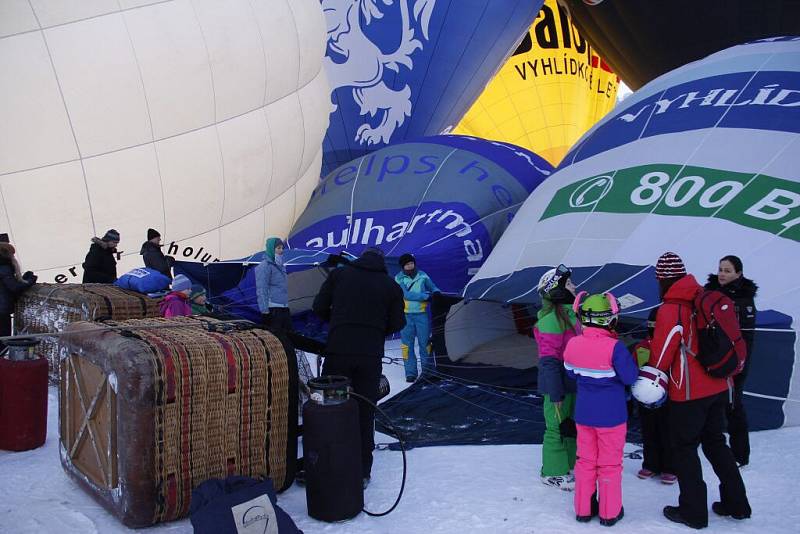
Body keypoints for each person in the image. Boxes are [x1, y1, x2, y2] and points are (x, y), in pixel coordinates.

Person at [648, 252, 751, 529]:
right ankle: (737, 503)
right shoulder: (703, 296)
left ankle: (692, 512)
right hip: (718, 384)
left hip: (689, 392)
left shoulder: (672, 309)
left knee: (684, 448)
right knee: (716, 442)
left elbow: (662, 355)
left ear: (662, 279)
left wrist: (648, 372)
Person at [312, 246, 405, 488]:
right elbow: (398, 322)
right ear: (382, 261)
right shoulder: (390, 285)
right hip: (369, 358)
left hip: (338, 353)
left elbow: (318, 307)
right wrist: (374, 331)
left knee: (331, 406)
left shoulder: (339, 275)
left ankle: (329, 462)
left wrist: (340, 323)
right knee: (365, 411)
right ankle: (363, 470)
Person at [564, 292, 639, 526]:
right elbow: (629, 377)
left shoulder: (573, 343)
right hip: (612, 417)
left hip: (584, 415)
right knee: (609, 464)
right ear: (610, 318)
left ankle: (583, 510)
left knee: (585, 461)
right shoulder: (615, 348)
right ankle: (609, 513)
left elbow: (570, 372)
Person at [705, 255, 756, 468]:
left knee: (733, 405)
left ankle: (740, 454)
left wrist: (737, 364)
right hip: (713, 358)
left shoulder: (744, 301)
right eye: (720, 269)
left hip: (735, 362)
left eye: (727, 270)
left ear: (738, 273)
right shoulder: (709, 293)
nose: (722, 274)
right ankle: (708, 444)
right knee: (707, 402)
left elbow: (745, 338)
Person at [533, 264, 580, 491]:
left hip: (572, 383)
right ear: (557, 290)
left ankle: (568, 464)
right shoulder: (550, 320)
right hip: (557, 386)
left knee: (570, 426)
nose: (575, 286)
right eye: (569, 284)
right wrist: (555, 392)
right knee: (556, 428)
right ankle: (552, 472)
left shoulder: (572, 315)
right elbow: (549, 360)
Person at [634, 307, 676, 484]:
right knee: (649, 430)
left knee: (668, 431)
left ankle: (670, 466)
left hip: (669, 397)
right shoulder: (641, 347)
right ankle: (651, 464)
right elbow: (635, 368)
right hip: (646, 397)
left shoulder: (673, 347)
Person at [394, 253, 440, 382]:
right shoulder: (398, 278)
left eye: (412, 263)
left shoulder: (423, 275)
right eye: (407, 264)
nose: (410, 266)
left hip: (421, 315)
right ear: (403, 266)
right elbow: (406, 295)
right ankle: (410, 373)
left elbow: (433, 287)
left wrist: (436, 293)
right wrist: (426, 296)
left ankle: (428, 372)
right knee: (406, 346)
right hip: (405, 316)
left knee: (425, 344)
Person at [0, 238, 36, 342]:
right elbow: (14, 287)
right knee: (3, 341)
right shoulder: (4, 268)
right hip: (2, 312)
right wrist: (30, 281)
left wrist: (23, 280)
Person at [255, 237, 291, 334]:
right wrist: (265, 311)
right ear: (271, 249)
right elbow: (261, 289)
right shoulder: (264, 266)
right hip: (273, 309)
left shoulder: (281, 266)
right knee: (277, 337)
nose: (281, 250)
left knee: (288, 336)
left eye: (282, 248)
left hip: (284, 307)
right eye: (278, 248)